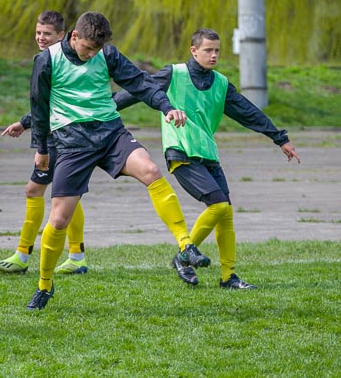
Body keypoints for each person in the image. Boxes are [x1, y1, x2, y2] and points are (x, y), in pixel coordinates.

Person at [26, 11, 206, 311]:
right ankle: (44, 285)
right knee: (58, 219)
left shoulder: (106, 54)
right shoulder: (47, 60)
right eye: (87, 48)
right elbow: (39, 105)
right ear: (74, 37)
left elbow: (140, 83)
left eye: (97, 49)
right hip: (71, 141)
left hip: (110, 133)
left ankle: (186, 245)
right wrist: (41, 148)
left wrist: (166, 107)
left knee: (150, 170)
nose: (92, 54)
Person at [113, 28, 301, 289]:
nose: (214, 55)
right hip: (180, 153)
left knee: (226, 214)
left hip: (208, 155)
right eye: (208, 50)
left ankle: (228, 277)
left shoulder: (221, 83)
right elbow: (137, 90)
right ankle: (183, 256)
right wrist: (104, 108)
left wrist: (280, 138)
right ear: (194, 50)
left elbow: (247, 112)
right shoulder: (173, 74)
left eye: (217, 51)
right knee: (219, 206)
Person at [0, 11, 89, 275]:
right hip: (68, 136)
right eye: (38, 33)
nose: (40, 38)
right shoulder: (60, 59)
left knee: (35, 191)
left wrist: (42, 149)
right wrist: (25, 123)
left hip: (59, 139)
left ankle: (23, 255)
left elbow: (49, 106)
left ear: (62, 35)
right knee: (69, 195)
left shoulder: (55, 60)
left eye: (47, 33)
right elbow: (45, 103)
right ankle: (77, 255)